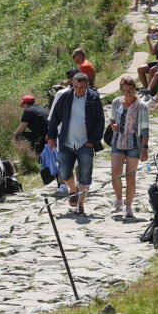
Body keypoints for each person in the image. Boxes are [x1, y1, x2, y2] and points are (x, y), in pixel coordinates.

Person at [47, 71, 104, 215]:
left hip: (85, 143)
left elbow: (100, 122)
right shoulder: (65, 97)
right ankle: (73, 191)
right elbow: (55, 118)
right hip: (66, 142)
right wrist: (52, 137)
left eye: (82, 88)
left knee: (85, 175)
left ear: (87, 86)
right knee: (65, 173)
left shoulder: (94, 98)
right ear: (72, 84)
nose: (79, 90)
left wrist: (92, 141)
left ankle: (80, 205)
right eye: (76, 87)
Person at [107, 77, 148, 218]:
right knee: (115, 173)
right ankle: (119, 199)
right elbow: (112, 119)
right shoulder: (116, 102)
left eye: (129, 90)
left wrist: (144, 147)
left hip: (134, 143)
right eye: (124, 91)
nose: (127, 94)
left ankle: (129, 206)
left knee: (130, 177)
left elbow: (145, 128)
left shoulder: (141, 105)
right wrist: (113, 125)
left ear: (134, 89)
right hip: (118, 140)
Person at [14, 95, 53, 184]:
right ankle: (36, 154)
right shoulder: (41, 108)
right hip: (50, 135)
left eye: (23, 105)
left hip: (43, 137)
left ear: (26, 104)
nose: (22, 107)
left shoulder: (27, 111)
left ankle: (31, 156)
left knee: (18, 136)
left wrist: (14, 136)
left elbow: (21, 129)